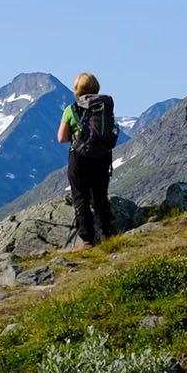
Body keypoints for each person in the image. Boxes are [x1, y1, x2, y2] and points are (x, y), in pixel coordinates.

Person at [57, 72, 118, 246]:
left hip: (79, 157)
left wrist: (76, 137)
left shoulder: (72, 109)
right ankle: (108, 232)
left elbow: (61, 138)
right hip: (102, 156)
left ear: (77, 89)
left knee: (81, 197)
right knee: (100, 195)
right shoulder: (105, 106)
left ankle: (87, 239)